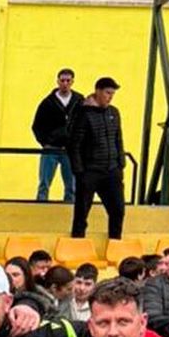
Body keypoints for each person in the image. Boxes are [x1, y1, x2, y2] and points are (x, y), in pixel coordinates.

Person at [69, 77, 126, 239]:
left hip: (112, 169)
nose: (110, 97)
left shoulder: (114, 112)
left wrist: (120, 163)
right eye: (108, 93)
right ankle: (77, 242)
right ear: (98, 91)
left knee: (118, 209)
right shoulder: (83, 113)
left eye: (112, 93)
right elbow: (75, 144)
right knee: (82, 212)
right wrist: (79, 172)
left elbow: (118, 139)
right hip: (90, 170)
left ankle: (115, 242)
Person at [32, 68, 79, 203]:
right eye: (62, 80)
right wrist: (45, 143)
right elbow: (37, 126)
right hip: (51, 148)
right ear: (57, 81)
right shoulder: (47, 103)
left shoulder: (79, 101)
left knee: (71, 186)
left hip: (70, 150)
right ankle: (40, 210)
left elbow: (85, 124)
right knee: (44, 184)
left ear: (72, 82)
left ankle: (69, 212)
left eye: (68, 80)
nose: (65, 83)